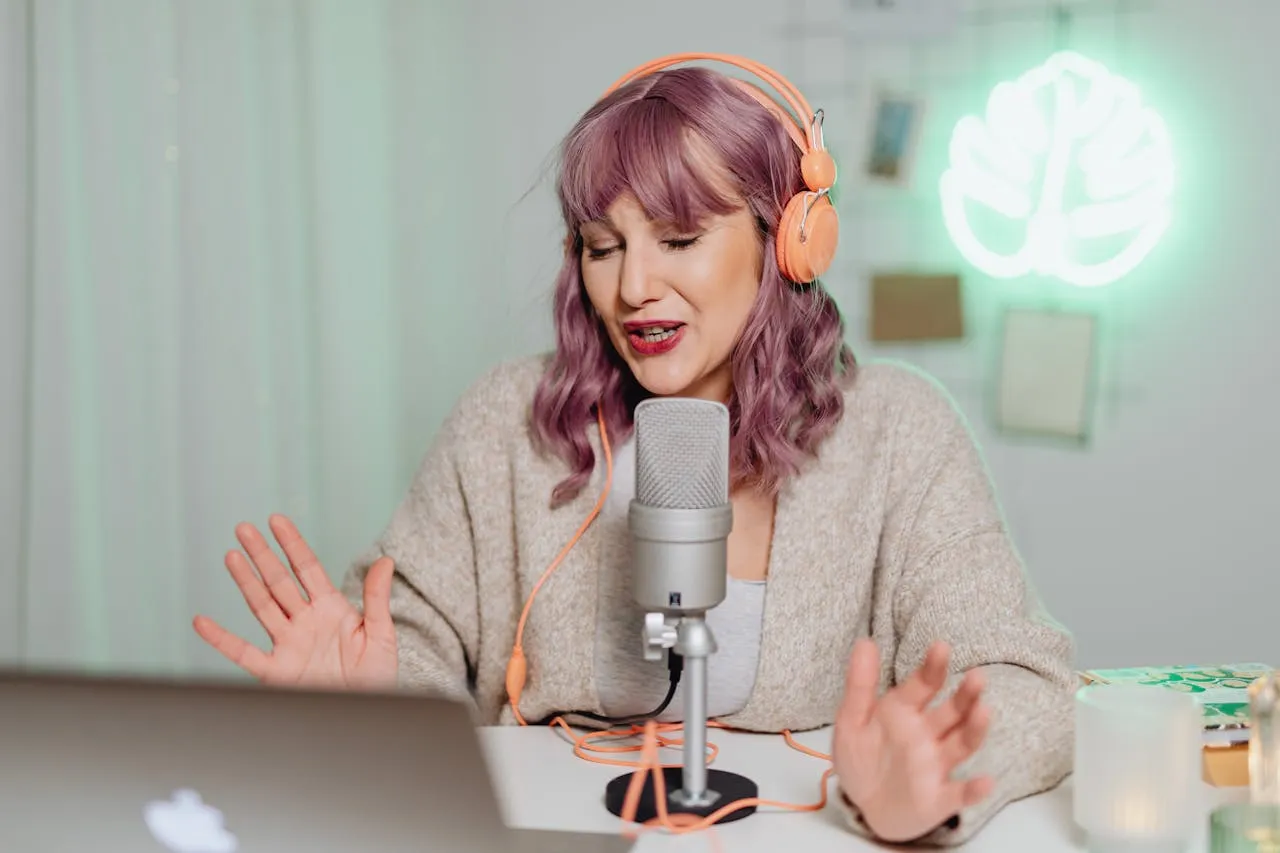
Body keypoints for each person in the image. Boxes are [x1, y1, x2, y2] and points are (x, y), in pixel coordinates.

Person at [192, 53, 1076, 846]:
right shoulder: (509, 422)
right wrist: (370, 714)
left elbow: (1023, 679)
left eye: (680, 240)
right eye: (601, 247)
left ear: (787, 243)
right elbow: (412, 640)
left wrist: (931, 782)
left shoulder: (896, 431)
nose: (632, 288)